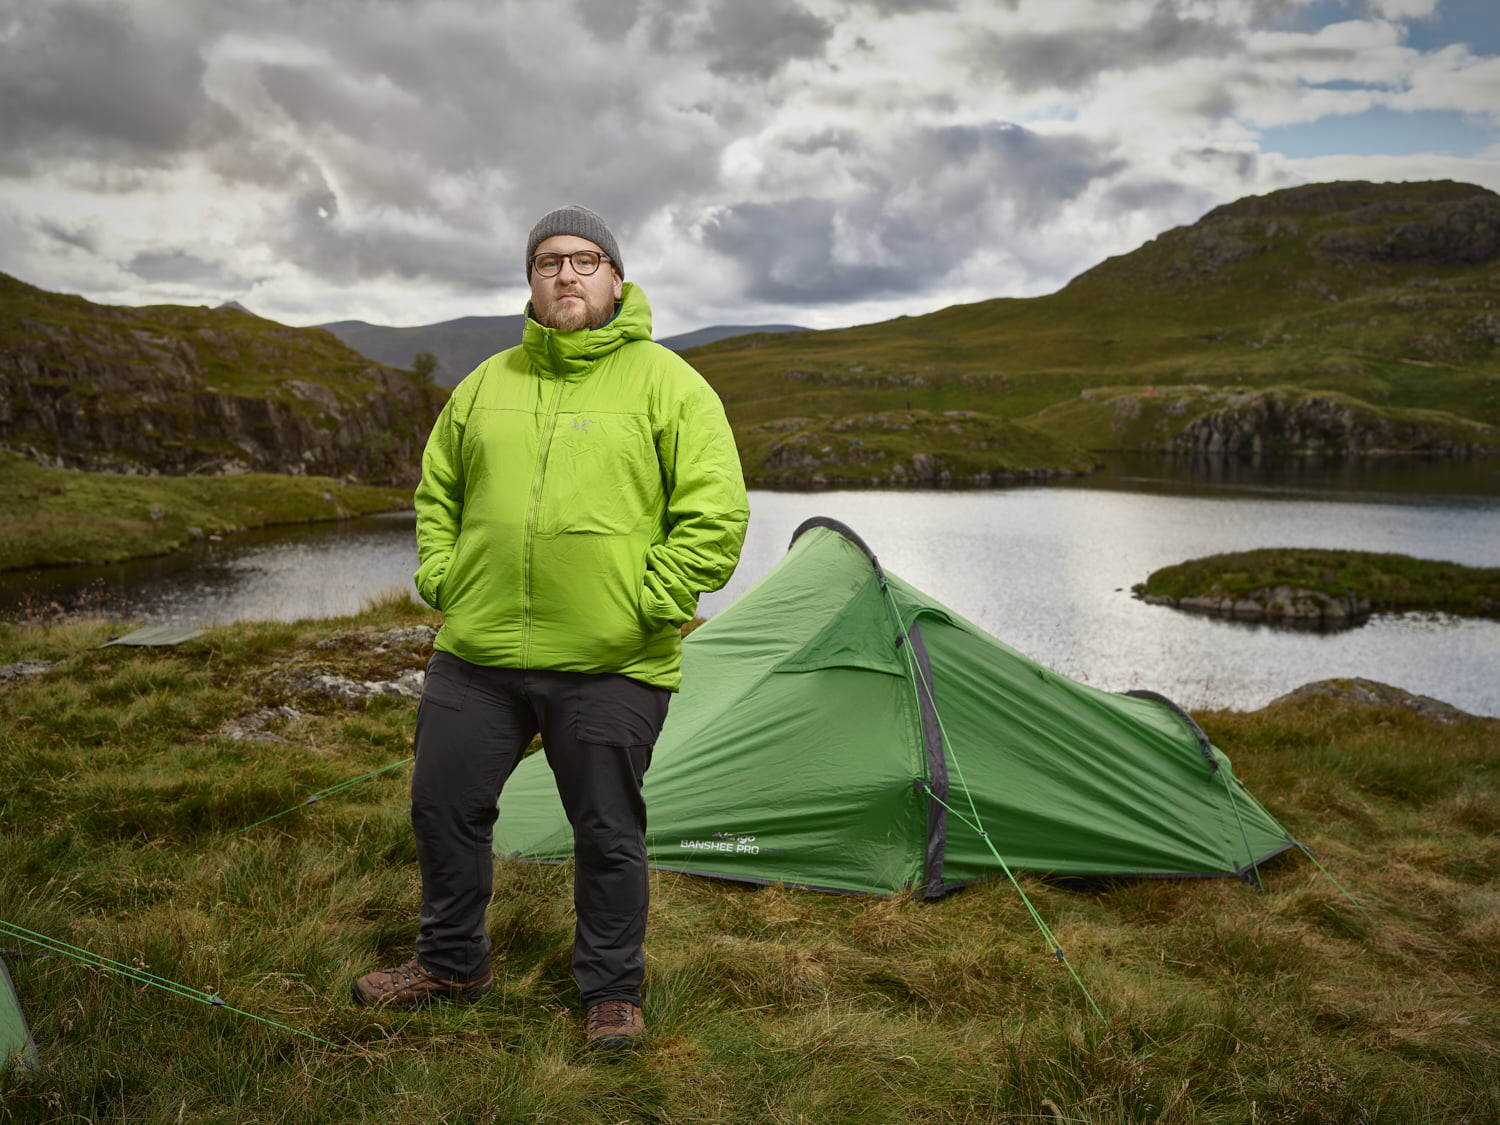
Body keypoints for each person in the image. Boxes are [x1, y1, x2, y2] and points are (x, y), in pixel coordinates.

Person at [351, 205, 749, 1050]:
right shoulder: (486, 385)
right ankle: (452, 961)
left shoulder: (669, 383)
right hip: (480, 653)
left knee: (607, 832)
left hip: (614, 661)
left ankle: (611, 989)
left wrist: (650, 599)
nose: (564, 275)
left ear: (615, 275)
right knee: (442, 805)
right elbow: (437, 493)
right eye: (546, 262)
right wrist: (444, 576)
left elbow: (714, 513)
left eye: (584, 259)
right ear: (529, 279)